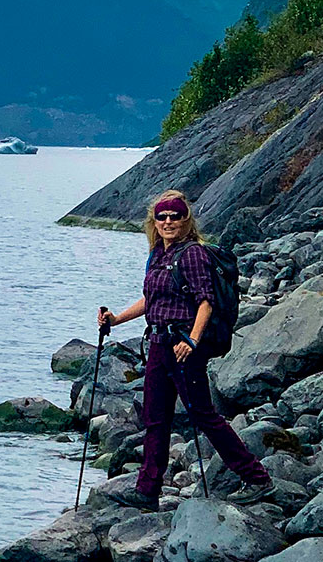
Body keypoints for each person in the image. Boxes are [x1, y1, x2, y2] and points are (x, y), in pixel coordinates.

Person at [97, 190, 273, 511]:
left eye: (174, 216)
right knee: (155, 418)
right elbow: (152, 299)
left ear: (185, 219)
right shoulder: (158, 254)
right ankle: (147, 491)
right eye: (161, 216)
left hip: (183, 348)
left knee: (203, 415)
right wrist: (116, 319)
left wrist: (191, 340)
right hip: (158, 345)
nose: (167, 221)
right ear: (154, 221)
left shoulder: (193, 254)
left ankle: (257, 478)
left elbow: (205, 301)